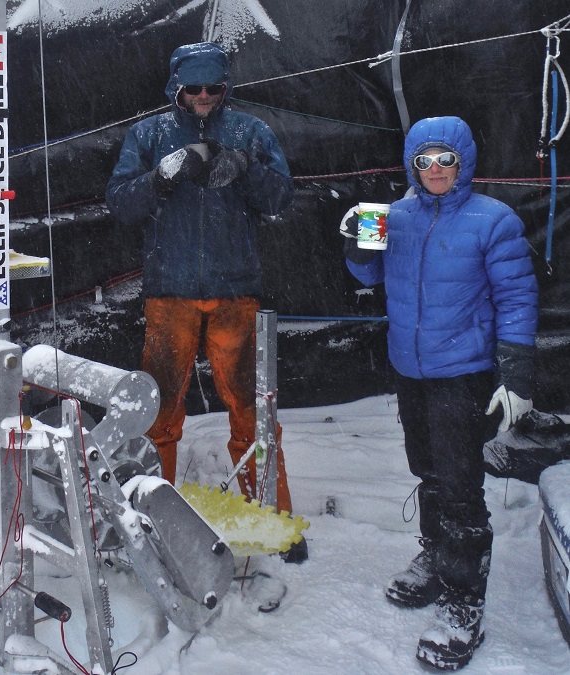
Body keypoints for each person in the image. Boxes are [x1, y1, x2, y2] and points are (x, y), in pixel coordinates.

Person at [342, 116, 538, 670]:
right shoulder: (395, 216)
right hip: (411, 370)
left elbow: (518, 299)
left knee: (459, 484)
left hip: (463, 373)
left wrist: (517, 372)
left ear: (463, 164)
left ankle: (463, 603)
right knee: (426, 467)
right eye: (424, 161)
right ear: (411, 164)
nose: (434, 171)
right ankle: (436, 554)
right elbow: (366, 276)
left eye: (444, 161)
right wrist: (356, 239)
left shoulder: (492, 221)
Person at [106, 42, 303, 557]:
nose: (203, 97)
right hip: (169, 293)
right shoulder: (147, 134)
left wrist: (245, 168)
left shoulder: (250, 132)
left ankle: (273, 519)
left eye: (213, 87)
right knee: (159, 411)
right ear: (175, 87)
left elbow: (282, 198)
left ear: (226, 86)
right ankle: (151, 521)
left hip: (236, 292)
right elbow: (120, 205)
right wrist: (160, 177)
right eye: (192, 88)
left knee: (252, 410)